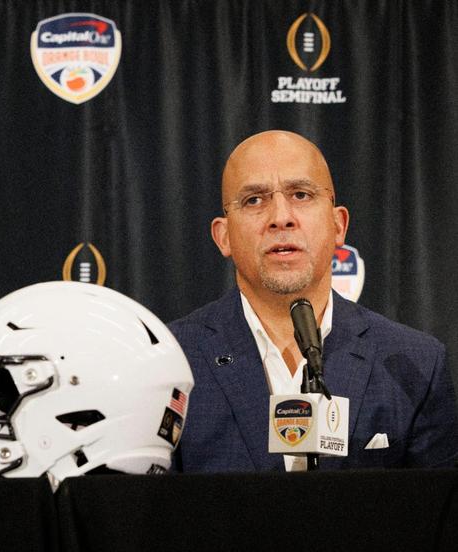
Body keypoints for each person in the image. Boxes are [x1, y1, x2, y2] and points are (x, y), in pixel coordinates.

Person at [170, 130, 458, 472]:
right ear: (224, 236)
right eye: (254, 200)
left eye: (301, 194)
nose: (281, 217)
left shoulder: (416, 364)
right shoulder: (172, 360)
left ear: (338, 225)